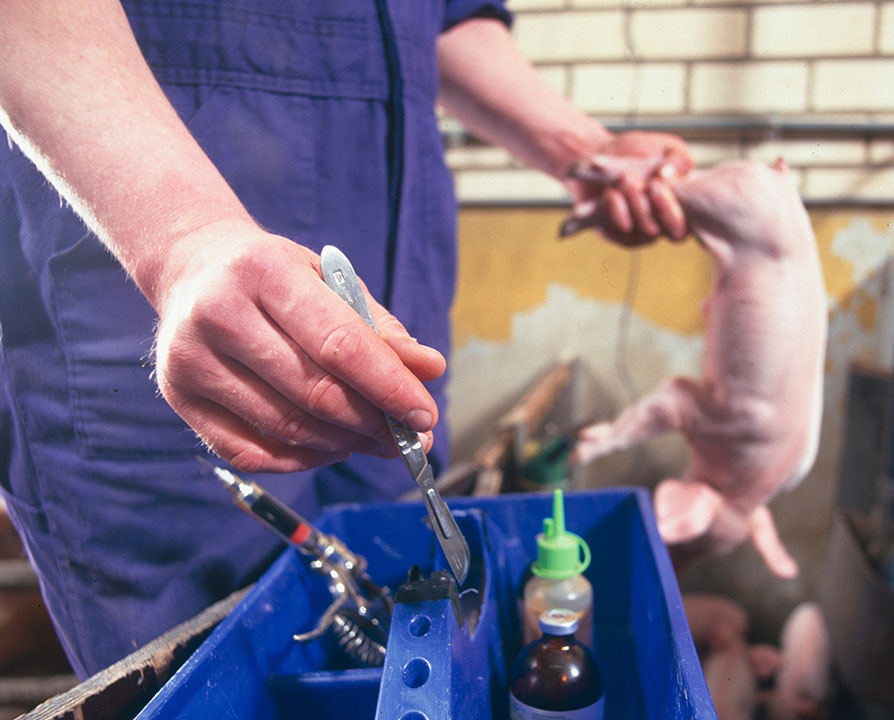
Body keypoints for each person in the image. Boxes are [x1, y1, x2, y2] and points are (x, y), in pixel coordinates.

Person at [0, 0, 692, 678]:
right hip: (149, 280)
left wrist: (587, 151)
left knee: (408, 622)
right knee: (218, 674)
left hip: (387, 298)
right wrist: (184, 239)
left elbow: (448, 14)